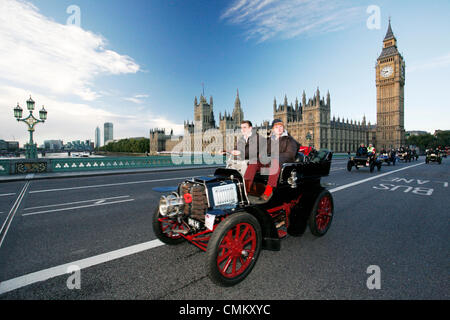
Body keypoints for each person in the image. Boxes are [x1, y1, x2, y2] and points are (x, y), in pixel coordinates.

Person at [244, 119, 300, 201]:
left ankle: (268, 192)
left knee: (275, 163)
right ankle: (246, 189)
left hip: (281, 164)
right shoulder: (269, 140)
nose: (279, 128)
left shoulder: (290, 140)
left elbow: (290, 155)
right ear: (273, 129)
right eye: (276, 127)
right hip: (268, 161)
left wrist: (274, 157)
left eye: (281, 126)